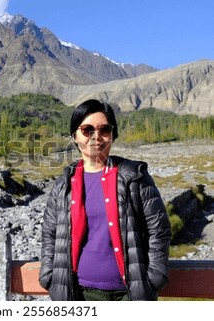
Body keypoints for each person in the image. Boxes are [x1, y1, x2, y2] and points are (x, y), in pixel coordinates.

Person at [39, 99, 172, 301]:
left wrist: (155, 276)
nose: (96, 137)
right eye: (87, 130)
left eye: (105, 130)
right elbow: (50, 233)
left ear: (113, 135)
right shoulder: (63, 185)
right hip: (79, 292)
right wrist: (49, 276)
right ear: (74, 136)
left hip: (130, 293)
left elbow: (159, 228)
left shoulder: (134, 177)